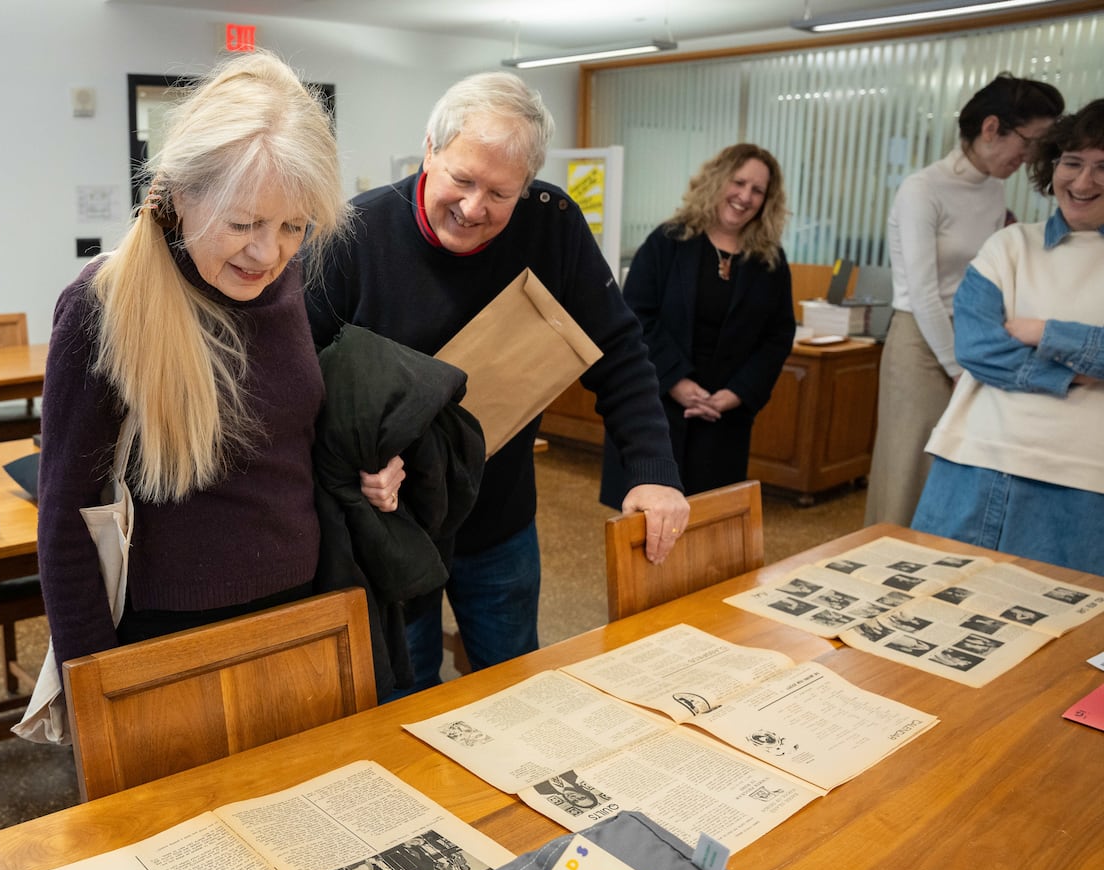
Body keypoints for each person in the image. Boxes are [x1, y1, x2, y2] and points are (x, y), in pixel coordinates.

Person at [306, 72, 688, 694]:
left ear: (528, 186)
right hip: (390, 527)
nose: (474, 207)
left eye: (501, 193)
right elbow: (300, 387)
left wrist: (651, 467)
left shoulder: (552, 223)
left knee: (516, 691)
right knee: (402, 699)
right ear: (430, 148)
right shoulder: (352, 236)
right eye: (461, 179)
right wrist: (351, 464)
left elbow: (618, 349)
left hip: (499, 515)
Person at [36, 52, 351, 671]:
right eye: (244, 223)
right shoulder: (104, 305)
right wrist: (94, 688)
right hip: (171, 641)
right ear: (181, 195)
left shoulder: (286, 287)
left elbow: (285, 446)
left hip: (301, 612)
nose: (268, 252)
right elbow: (64, 524)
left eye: (293, 225)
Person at [912, 98, 1104, 577]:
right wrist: (1074, 375)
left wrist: (1046, 332)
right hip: (976, 464)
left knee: (1062, 629)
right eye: (1073, 163)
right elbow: (976, 347)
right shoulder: (1009, 245)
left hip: (1081, 481)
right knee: (935, 606)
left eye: (1103, 168)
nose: (1082, 183)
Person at [865, 74, 1064, 526]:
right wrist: (958, 366)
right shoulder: (922, 189)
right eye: (1030, 142)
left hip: (974, 335)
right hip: (919, 340)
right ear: (991, 127)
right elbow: (922, 291)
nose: (1031, 158)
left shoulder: (994, 190)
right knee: (908, 465)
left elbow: (987, 275)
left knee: (959, 464)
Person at [601, 144, 795, 498]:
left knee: (710, 525)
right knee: (649, 524)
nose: (745, 196)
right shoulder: (669, 241)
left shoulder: (769, 260)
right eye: (738, 182)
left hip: (723, 416)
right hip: (658, 408)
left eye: (757, 191)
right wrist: (676, 380)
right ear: (717, 181)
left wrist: (737, 393)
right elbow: (635, 316)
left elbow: (778, 335)